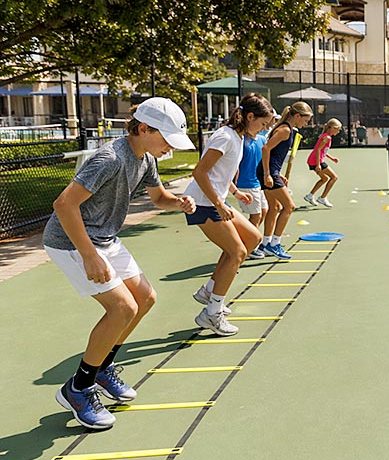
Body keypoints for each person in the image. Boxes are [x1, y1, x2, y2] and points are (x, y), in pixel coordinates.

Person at [44, 97, 197, 429]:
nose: (170, 148)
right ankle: (78, 388)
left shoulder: (145, 157)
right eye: (167, 139)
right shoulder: (109, 159)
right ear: (143, 128)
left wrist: (178, 203)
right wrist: (89, 256)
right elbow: (64, 204)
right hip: (71, 240)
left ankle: (101, 369)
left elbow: (158, 198)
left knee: (145, 299)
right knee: (122, 308)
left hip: (104, 238)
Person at [185, 93, 274, 337]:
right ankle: (211, 313)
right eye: (263, 124)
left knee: (253, 237)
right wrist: (219, 203)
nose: (264, 129)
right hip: (203, 203)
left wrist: (234, 191)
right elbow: (200, 172)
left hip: (217, 200)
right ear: (250, 116)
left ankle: (210, 290)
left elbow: (219, 173)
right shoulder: (225, 136)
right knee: (237, 252)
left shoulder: (238, 137)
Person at [259, 101, 312, 258]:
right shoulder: (285, 130)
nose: (306, 123)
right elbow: (265, 148)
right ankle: (275, 244)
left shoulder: (286, 129)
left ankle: (265, 244)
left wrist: (274, 172)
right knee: (289, 207)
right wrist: (268, 173)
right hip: (267, 172)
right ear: (297, 116)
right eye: (305, 120)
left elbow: (273, 154)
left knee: (274, 208)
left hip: (270, 171)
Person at [235, 111, 275, 259]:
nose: (264, 127)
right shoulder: (241, 140)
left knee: (263, 211)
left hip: (258, 182)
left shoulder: (262, 139)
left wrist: (271, 174)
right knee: (256, 215)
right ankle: (250, 246)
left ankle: (251, 241)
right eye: (263, 123)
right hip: (246, 183)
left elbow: (265, 161)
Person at [304, 118, 342, 208]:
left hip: (313, 160)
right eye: (338, 129)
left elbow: (322, 150)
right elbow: (317, 150)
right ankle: (323, 197)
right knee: (334, 177)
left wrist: (332, 158)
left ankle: (310, 196)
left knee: (324, 179)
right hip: (316, 161)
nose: (338, 132)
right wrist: (318, 165)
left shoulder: (326, 136)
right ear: (332, 128)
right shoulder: (327, 137)